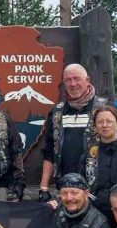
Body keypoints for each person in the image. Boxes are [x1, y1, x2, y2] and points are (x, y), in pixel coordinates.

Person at [38, 63, 104, 201]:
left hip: (98, 188)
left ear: (88, 80)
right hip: (66, 188)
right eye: (68, 80)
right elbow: (49, 151)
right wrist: (43, 187)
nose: (73, 84)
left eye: (77, 78)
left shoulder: (105, 108)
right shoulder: (57, 112)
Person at [87, 104, 117, 218]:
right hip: (94, 211)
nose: (105, 125)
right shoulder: (89, 154)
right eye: (100, 122)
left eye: (109, 121)